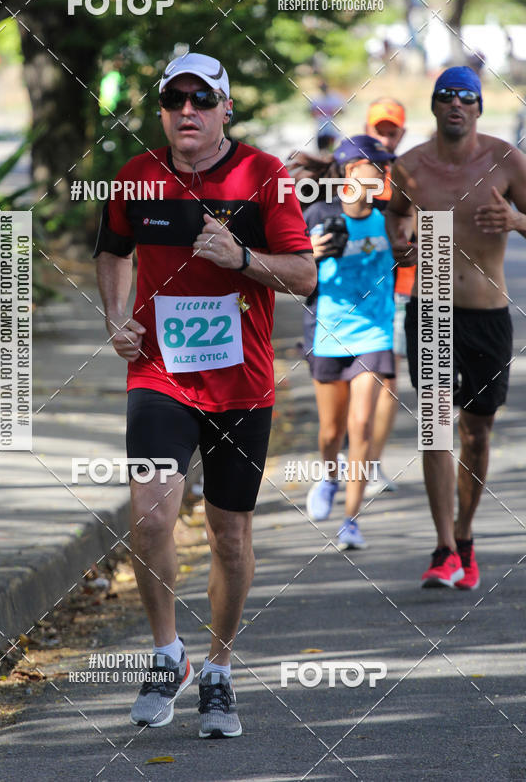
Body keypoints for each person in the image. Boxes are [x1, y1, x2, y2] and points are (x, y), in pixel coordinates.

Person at [94, 52, 315, 737]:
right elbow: (111, 250)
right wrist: (115, 316)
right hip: (160, 374)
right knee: (154, 516)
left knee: (229, 534)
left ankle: (218, 668)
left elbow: (305, 275)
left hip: (242, 384)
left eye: (200, 99)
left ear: (225, 109)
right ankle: (168, 655)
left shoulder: (264, 177)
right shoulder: (136, 177)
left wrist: (243, 260)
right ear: (161, 110)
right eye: (173, 100)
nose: (186, 110)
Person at [386, 65, 526, 589]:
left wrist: (515, 220)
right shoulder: (410, 166)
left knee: (478, 431)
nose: (455, 104)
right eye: (446, 96)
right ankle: (444, 546)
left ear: (478, 107)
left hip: (487, 308)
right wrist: (402, 239)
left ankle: (465, 535)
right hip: (434, 301)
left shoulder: (505, 159)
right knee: (435, 426)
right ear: (435, 105)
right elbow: (395, 214)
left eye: (466, 97)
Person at [302, 135, 396, 549]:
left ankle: (351, 520)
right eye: (374, 165)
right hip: (329, 332)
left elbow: (421, 245)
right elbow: (291, 270)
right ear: (350, 171)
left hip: (375, 333)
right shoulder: (319, 215)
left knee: (359, 426)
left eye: (385, 166)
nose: (382, 172)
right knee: (330, 432)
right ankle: (327, 476)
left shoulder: (390, 217)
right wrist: (312, 253)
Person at [364, 98, 412, 495]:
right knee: (355, 378)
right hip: (355, 291)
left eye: (391, 130)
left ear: (402, 133)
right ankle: (349, 458)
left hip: (399, 290)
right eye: (378, 129)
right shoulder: (353, 173)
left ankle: (370, 463)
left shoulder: (411, 174)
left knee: (387, 377)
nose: (384, 135)